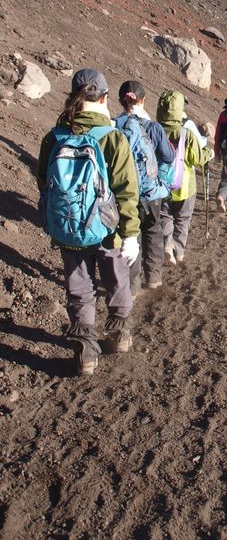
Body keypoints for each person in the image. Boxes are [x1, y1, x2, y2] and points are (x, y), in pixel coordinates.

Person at [37, 68, 140, 376]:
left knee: (79, 288)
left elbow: (44, 182)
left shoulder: (54, 136)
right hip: (107, 230)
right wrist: (131, 234)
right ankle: (119, 336)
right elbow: (126, 191)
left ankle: (86, 355)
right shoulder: (113, 138)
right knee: (116, 281)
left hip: (69, 229)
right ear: (105, 98)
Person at [115, 80, 174, 293]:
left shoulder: (113, 126)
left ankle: (132, 284)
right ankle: (154, 277)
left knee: (130, 236)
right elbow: (168, 156)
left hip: (123, 194)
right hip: (150, 193)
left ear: (121, 100)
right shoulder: (153, 127)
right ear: (143, 100)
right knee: (152, 231)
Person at [157, 89, 213, 264]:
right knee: (183, 219)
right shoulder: (186, 133)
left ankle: (167, 243)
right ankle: (179, 251)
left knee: (165, 215)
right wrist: (208, 153)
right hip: (185, 185)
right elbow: (196, 159)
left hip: (161, 183)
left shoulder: (154, 130)